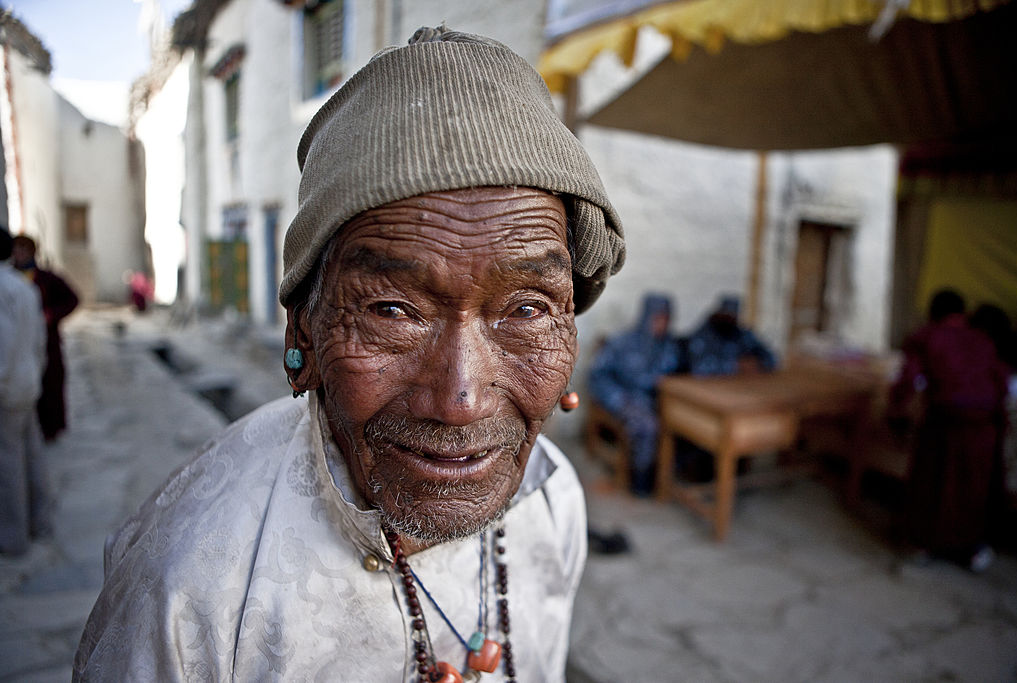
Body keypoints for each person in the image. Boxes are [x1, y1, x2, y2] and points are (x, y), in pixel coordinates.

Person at [74, 26, 625, 681]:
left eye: (527, 308)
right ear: (301, 332)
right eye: (392, 309)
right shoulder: (191, 590)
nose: (460, 398)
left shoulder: (553, 500)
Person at [891, 289, 1009, 572]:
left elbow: (908, 380)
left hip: (945, 420)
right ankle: (972, 548)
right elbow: (1000, 380)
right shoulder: (981, 339)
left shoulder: (925, 337)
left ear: (933, 312)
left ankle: (922, 544)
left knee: (933, 482)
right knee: (972, 486)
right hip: (985, 423)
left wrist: (895, 414)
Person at [587, 294, 680, 495]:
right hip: (625, 398)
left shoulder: (669, 347)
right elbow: (598, 376)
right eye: (657, 318)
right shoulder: (621, 343)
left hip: (657, 400)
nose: (661, 325)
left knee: (684, 425)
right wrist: (618, 399)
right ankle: (641, 481)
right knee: (646, 426)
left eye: (666, 319)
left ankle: (667, 477)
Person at [0, 227, 51, 555]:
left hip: (8, 387)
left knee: (9, 463)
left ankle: (13, 538)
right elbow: (37, 342)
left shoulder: (7, 289)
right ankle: (41, 523)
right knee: (31, 455)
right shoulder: (22, 287)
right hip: (27, 381)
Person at [11, 234, 79, 441]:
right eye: (17, 249)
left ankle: (51, 429)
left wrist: (51, 314)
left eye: (24, 250)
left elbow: (72, 299)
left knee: (50, 384)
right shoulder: (10, 278)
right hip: (18, 343)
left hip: (47, 342)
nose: (19, 254)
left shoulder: (46, 278)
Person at [687, 294, 776, 376]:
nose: (728, 320)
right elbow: (699, 367)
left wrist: (758, 363)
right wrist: (735, 366)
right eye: (726, 315)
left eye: (732, 317)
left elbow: (772, 358)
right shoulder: (703, 336)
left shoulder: (741, 334)